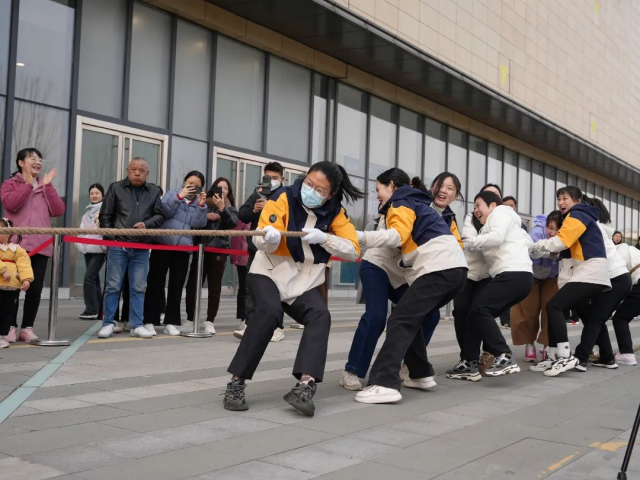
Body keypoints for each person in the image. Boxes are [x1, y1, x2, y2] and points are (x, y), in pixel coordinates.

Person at [224, 161, 363, 416]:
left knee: (320, 315)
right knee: (268, 314)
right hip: (269, 271)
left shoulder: (337, 214)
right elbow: (260, 236)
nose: (310, 190)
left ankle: (305, 385)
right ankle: (236, 382)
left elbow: (354, 250)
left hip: (305, 280)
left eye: (319, 190)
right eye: (309, 183)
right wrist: (269, 238)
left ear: (330, 194)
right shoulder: (282, 197)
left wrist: (326, 238)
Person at [353, 170, 467, 404]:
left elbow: (396, 236)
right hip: (456, 271)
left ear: (391, 186)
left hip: (437, 270)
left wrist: (357, 236)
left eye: (378, 190)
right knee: (409, 317)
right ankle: (420, 374)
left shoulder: (401, 201)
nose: (378, 196)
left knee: (399, 320)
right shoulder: (419, 203)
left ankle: (384, 383)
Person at [447, 191, 533, 381]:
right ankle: (470, 363)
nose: (476, 209)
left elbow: (497, 236)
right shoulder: (490, 223)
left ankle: (504, 355)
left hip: (513, 273)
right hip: (518, 276)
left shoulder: (501, 212)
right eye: (475, 206)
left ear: (493, 205)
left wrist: (472, 242)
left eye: (479, 205)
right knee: (476, 314)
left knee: (480, 309)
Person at [530, 186, 610, 376]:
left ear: (577, 200)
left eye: (564, 198)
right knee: (558, 308)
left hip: (591, 271)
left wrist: (537, 245)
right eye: (558, 199)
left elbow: (562, 241)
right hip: (586, 272)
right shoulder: (574, 218)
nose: (560, 202)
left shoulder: (578, 214)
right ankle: (553, 355)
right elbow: (564, 253)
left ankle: (565, 356)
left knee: (554, 307)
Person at [0, 148, 65, 342]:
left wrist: (48, 186)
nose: (38, 162)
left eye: (40, 159)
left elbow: (58, 210)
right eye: (32, 158)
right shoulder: (10, 184)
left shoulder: (45, 187)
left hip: (40, 245)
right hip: (14, 246)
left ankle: (27, 328)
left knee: (35, 289)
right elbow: (11, 204)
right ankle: (9, 327)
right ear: (21, 162)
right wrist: (28, 185)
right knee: (10, 287)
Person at [97, 157, 165, 339]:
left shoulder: (153, 191)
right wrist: (113, 239)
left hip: (142, 246)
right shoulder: (116, 188)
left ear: (147, 173)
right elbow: (105, 216)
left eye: (141, 170)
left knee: (138, 287)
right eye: (134, 169)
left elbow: (160, 216)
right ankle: (108, 323)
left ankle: (137, 324)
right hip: (119, 245)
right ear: (128, 170)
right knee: (112, 286)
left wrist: (146, 224)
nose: (137, 173)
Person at [143, 171, 207, 336]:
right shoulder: (172, 194)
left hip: (183, 248)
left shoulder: (198, 203)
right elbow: (164, 212)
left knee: (176, 285)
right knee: (155, 282)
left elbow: (198, 224)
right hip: (163, 243)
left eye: (197, 184)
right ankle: (149, 320)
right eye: (190, 182)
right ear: (185, 182)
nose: (193, 186)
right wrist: (180, 196)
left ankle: (171, 321)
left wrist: (201, 206)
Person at [573, 197, 630, 372]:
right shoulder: (601, 228)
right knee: (597, 318)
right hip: (617, 278)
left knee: (595, 318)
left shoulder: (593, 227)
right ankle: (607, 357)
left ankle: (581, 358)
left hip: (614, 278)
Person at [449, 183, 499, 376]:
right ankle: (468, 358)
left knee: (478, 313)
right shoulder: (471, 217)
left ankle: (483, 355)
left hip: (488, 276)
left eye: (494, 198)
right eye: (484, 199)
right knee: (461, 312)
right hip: (468, 273)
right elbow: (469, 243)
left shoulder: (503, 222)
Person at [236, 162, 286, 341]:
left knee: (277, 288)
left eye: (275, 178)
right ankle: (250, 323)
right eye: (268, 178)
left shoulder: (286, 195)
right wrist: (254, 209)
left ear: (282, 179)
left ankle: (277, 327)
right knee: (252, 287)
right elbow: (242, 215)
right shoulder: (257, 193)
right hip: (256, 248)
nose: (271, 182)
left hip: (279, 249)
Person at [185, 177, 238, 335]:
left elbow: (233, 224)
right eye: (219, 187)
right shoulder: (204, 203)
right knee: (193, 285)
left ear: (229, 192)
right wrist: (204, 214)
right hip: (200, 248)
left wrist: (223, 209)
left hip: (218, 250)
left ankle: (210, 321)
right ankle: (190, 318)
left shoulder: (230, 207)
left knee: (214, 288)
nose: (222, 191)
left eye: (226, 188)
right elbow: (193, 222)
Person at [511, 211, 562, 362]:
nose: (552, 233)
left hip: (552, 277)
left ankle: (547, 345)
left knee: (551, 310)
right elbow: (531, 252)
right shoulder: (537, 232)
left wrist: (550, 252)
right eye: (550, 228)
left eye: (556, 230)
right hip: (531, 275)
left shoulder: (566, 234)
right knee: (528, 310)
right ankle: (529, 344)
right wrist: (550, 253)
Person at [0, 218, 34, 348]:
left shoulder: (17, 249)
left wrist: (26, 279)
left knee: (7, 311)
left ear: (10, 232)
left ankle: (2, 335)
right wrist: (3, 269)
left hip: (11, 287)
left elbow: (24, 265)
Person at [77, 183, 107, 320]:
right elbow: (81, 231)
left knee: (89, 278)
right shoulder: (86, 212)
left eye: (97, 193)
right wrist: (80, 244)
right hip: (87, 249)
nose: (94, 196)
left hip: (99, 249)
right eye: (92, 193)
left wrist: (103, 246)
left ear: (102, 194)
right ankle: (98, 309)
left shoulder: (105, 210)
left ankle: (90, 310)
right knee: (94, 279)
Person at [610, 240, 640, 365]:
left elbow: (617, 272)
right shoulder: (635, 251)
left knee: (620, 318)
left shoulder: (620, 249)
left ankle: (626, 353)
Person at [231, 219, 250, 335]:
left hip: (260, 257)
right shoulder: (244, 216)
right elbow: (236, 237)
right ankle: (243, 317)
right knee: (244, 288)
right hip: (244, 258)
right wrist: (235, 257)